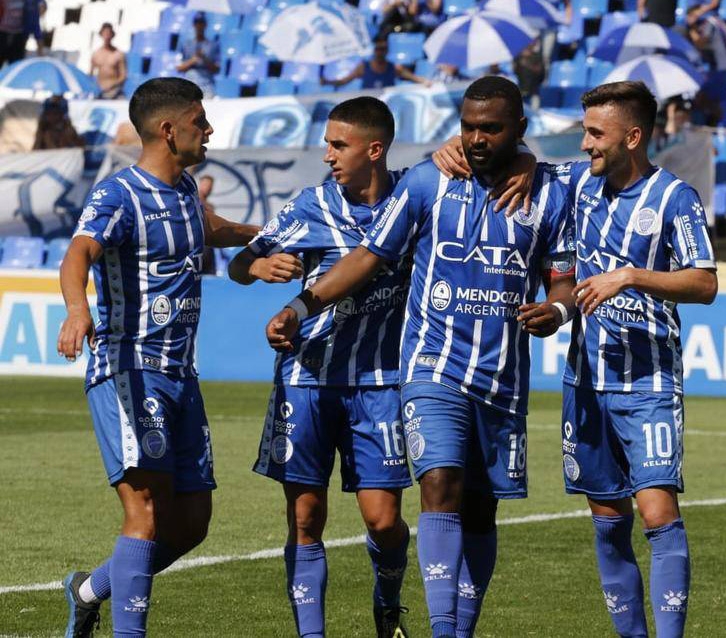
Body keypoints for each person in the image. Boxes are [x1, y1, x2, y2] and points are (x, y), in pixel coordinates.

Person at [265, 76, 576, 638]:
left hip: (502, 377)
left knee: (479, 510)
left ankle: (456, 628)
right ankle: (440, 629)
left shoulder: (552, 191)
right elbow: (367, 256)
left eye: (491, 128)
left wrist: (557, 309)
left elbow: (564, 277)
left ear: (520, 129)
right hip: (430, 367)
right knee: (437, 486)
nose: (476, 139)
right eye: (468, 127)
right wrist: (300, 305)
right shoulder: (431, 179)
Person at [56, 77, 259, 638]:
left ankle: (88, 591)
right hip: (129, 371)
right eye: (200, 121)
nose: (209, 130)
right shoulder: (119, 195)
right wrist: (77, 310)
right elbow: (78, 252)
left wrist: (264, 237)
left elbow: (211, 228)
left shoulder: (185, 189)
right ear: (169, 129)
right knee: (144, 513)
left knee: (191, 524)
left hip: (180, 376)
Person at [228, 97, 416, 638]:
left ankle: (387, 603)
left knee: (384, 521)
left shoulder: (414, 199)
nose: (328, 154)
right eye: (327, 144)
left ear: (374, 149)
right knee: (306, 518)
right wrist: (260, 266)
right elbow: (241, 262)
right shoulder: (310, 205)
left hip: (380, 383)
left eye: (339, 145)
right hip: (306, 379)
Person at [561, 81, 717, 638]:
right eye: (584, 131)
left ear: (632, 137)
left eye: (595, 134)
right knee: (608, 520)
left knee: (657, 513)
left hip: (648, 380)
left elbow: (704, 283)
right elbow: (519, 165)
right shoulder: (578, 183)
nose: (585, 144)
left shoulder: (675, 198)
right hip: (585, 381)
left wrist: (630, 276)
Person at [323, 37, 431, 90]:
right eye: (378, 49)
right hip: (367, 107)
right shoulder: (363, 67)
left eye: (383, 49)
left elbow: (414, 78)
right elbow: (344, 81)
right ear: (374, 50)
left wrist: (426, 82)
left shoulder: (395, 68)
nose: (380, 52)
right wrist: (327, 82)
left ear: (387, 50)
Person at [176, 12, 220, 99]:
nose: (199, 26)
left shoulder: (213, 45)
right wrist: (193, 60)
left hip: (207, 84)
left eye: (201, 23)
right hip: (190, 83)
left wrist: (204, 59)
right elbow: (179, 68)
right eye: (197, 23)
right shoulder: (186, 45)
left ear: (205, 25)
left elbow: (217, 69)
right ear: (194, 25)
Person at [0, 0, 43, 66]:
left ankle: (41, 59)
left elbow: (42, 5)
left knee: (15, 63)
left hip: (19, 34)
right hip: (3, 32)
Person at [91, 22, 127, 99]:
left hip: (115, 91)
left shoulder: (118, 54)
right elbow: (90, 74)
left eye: (109, 33)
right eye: (105, 33)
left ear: (112, 35)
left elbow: (123, 76)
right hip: (100, 91)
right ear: (101, 34)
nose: (107, 36)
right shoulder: (96, 54)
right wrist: (96, 87)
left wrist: (112, 85)